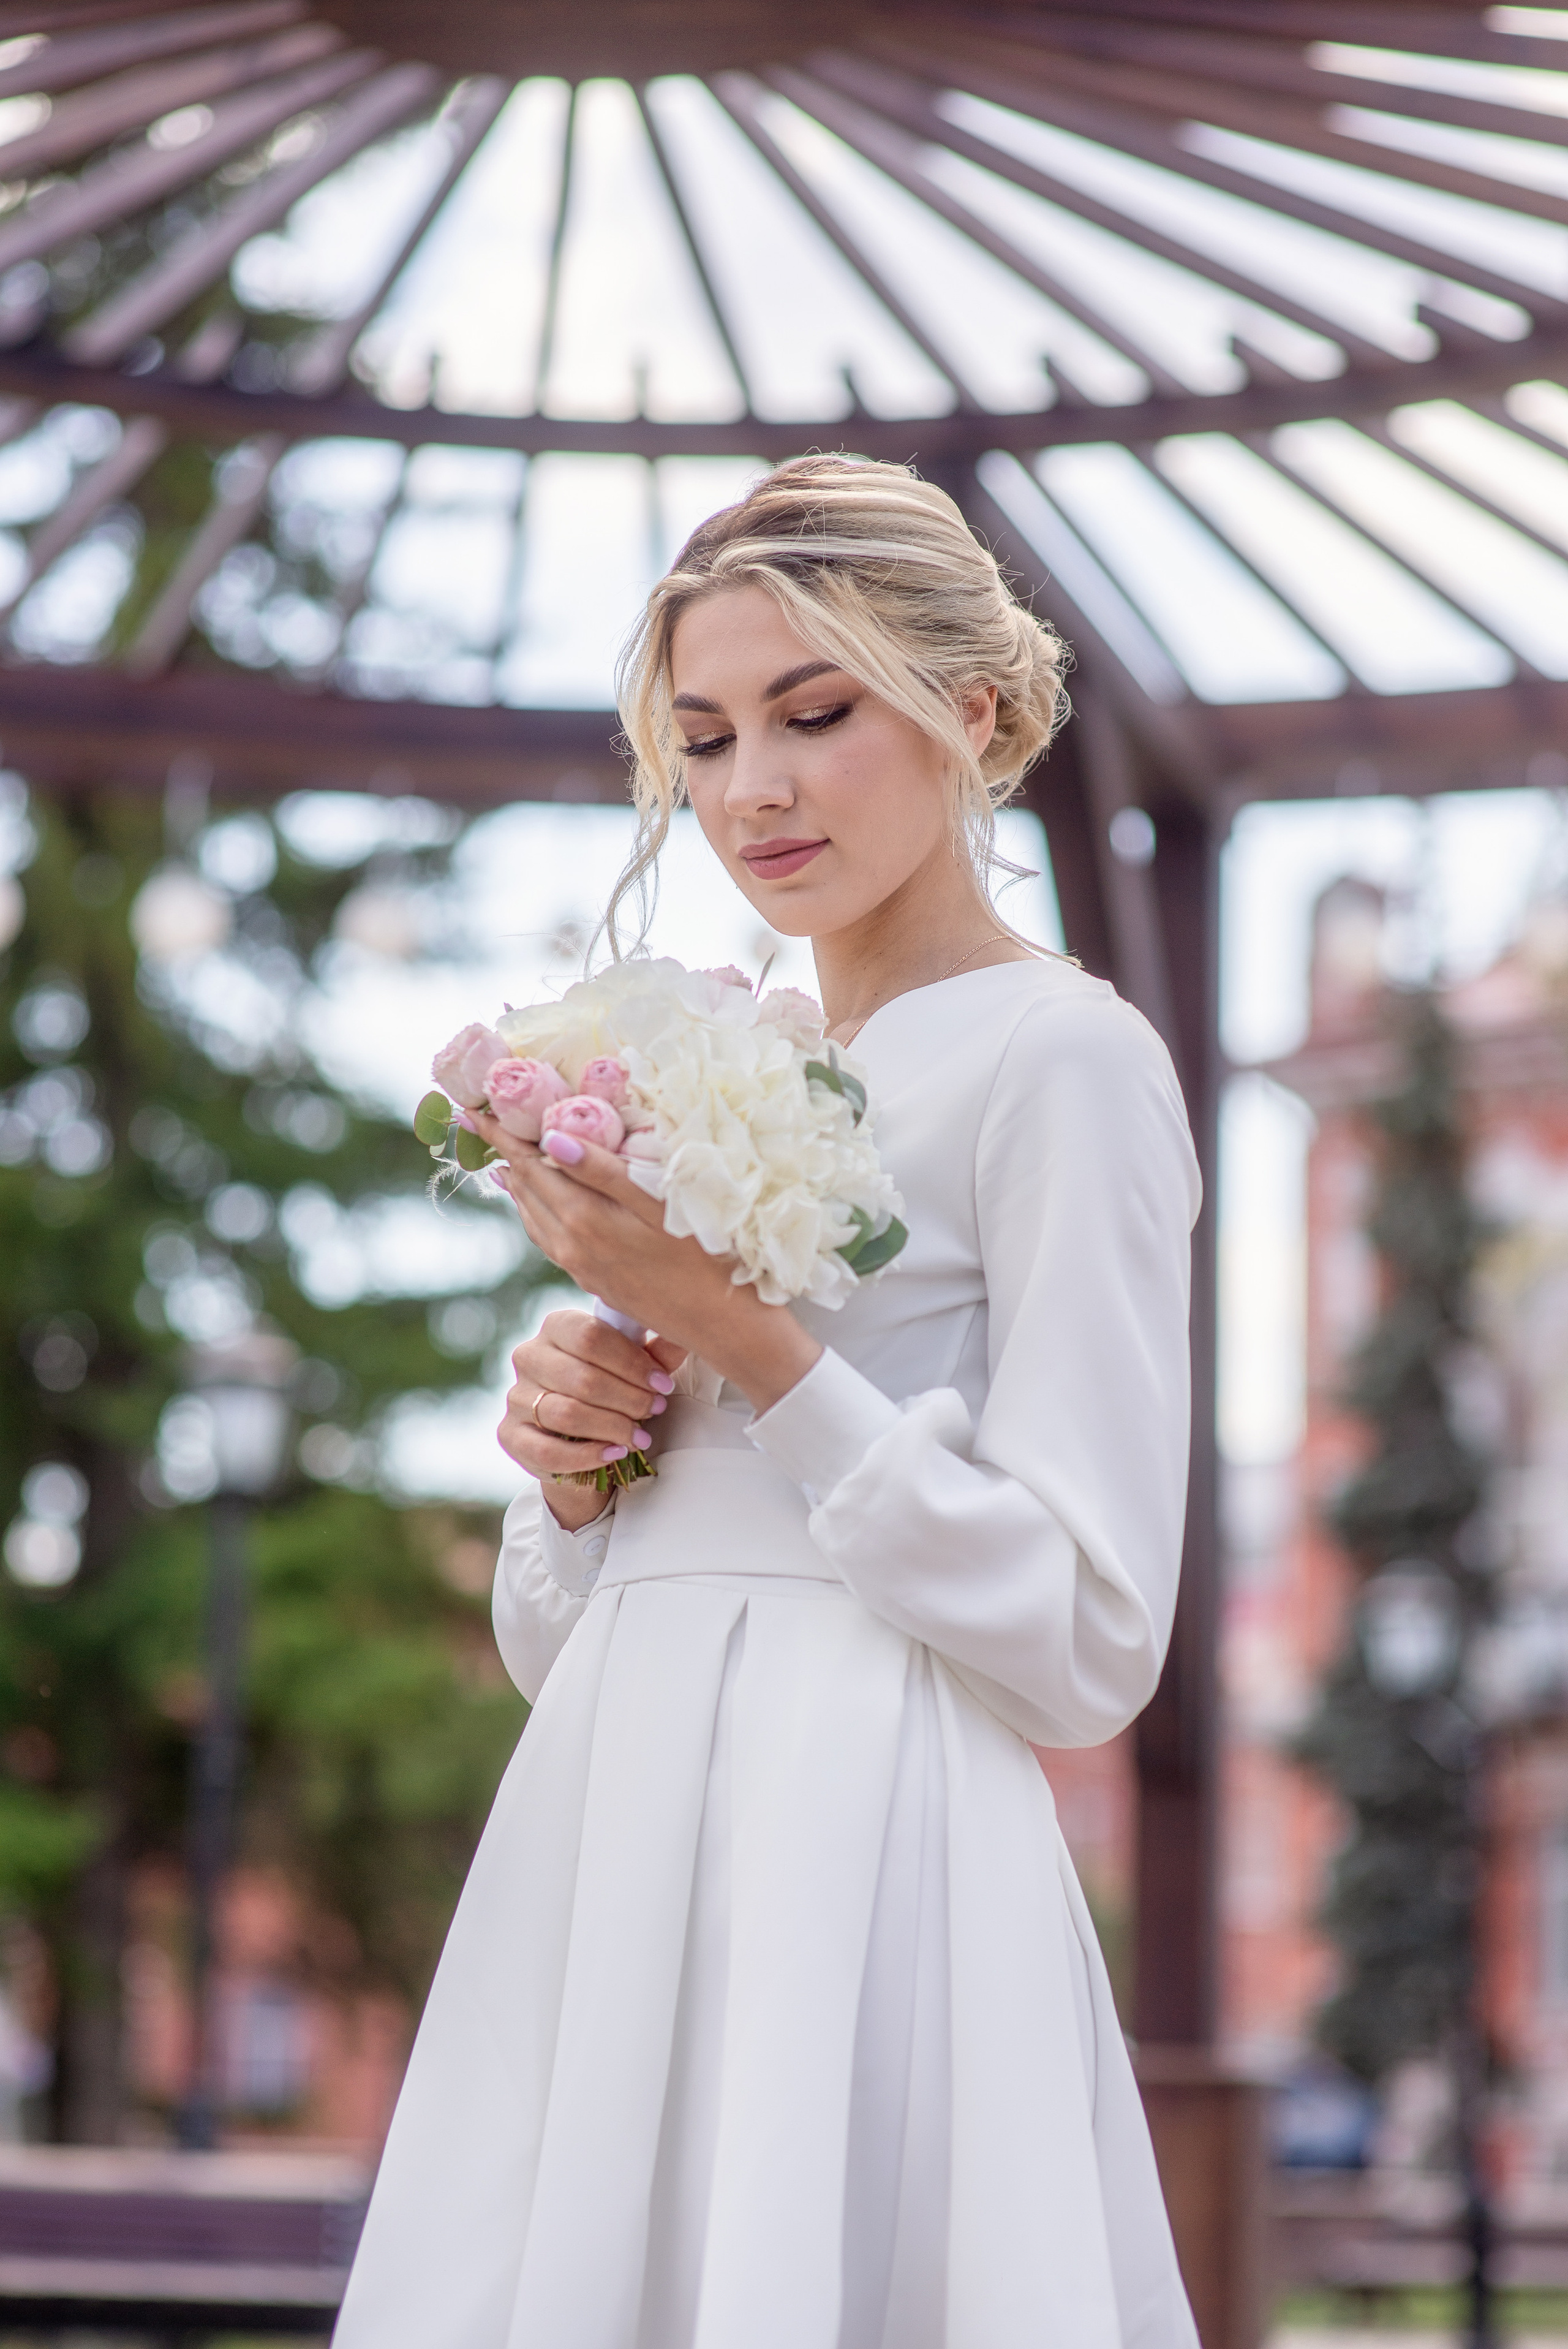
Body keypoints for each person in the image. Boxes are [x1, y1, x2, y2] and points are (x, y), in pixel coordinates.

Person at [334, 455, 1202, 2348]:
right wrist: (576, 1465)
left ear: (976, 715)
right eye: (709, 734)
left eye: (815, 715)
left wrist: (749, 1346)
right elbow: (558, 1641)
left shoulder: (1066, 1061)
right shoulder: (727, 1055)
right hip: (616, 1817)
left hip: (866, 1829)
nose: (753, 791)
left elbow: (1088, 1636)